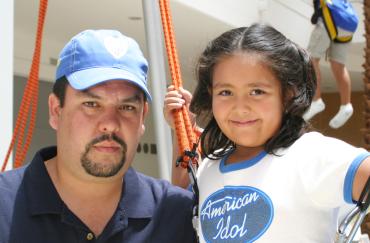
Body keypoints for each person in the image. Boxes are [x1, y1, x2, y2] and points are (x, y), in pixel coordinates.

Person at [164, 23, 370, 242]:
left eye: (257, 91)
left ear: (288, 93)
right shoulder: (210, 165)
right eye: (226, 92)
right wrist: (182, 128)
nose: (240, 107)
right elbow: (180, 205)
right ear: (210, 94)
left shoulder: (310, 155)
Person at [0, 29, 196, 243]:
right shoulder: (4, 206)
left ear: (142, 118)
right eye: (91, 104)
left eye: (127, 107)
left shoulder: (177, 214)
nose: (110, 124)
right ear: (56, 110)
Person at [303, 0, 355, 128]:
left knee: (310, 59)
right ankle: (346, 105)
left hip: (330, 20)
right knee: (338, 65)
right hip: (349, 23)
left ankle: (316, 100)